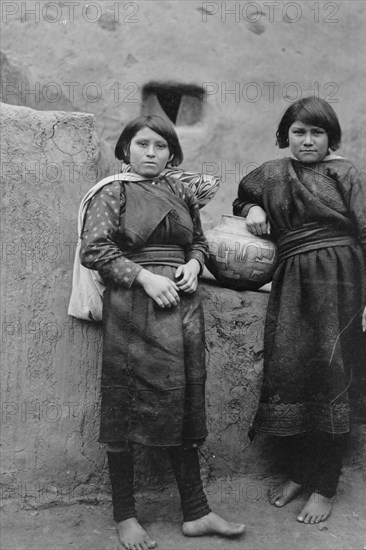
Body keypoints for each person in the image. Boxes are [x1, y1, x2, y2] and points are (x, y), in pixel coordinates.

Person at [233, 97, 366, 524]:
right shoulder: (272, 173)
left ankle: (324, 485)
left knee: (333, 379)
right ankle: (297, 473)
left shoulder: (347, 174)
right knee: (293, 376)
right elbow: (241, 196)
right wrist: (252, 208)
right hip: (293, 285)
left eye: (317, 132)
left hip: (343, 282)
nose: (307, 141)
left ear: (331, 137)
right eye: (299, 132)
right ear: (285, 135)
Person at [80, 114, 245, 550]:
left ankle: (196, 512)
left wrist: (192, 265)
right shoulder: (112, 191)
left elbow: (200, 243)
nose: (150, 153)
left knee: (184, 399)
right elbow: (94, 249)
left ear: (172, 153)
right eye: (142, 144)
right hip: (134, 304)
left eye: (160, 146)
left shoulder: (181, 192)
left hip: (184, 307)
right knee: (126, 401)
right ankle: (125, 515)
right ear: (125, 150)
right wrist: (144, 278)